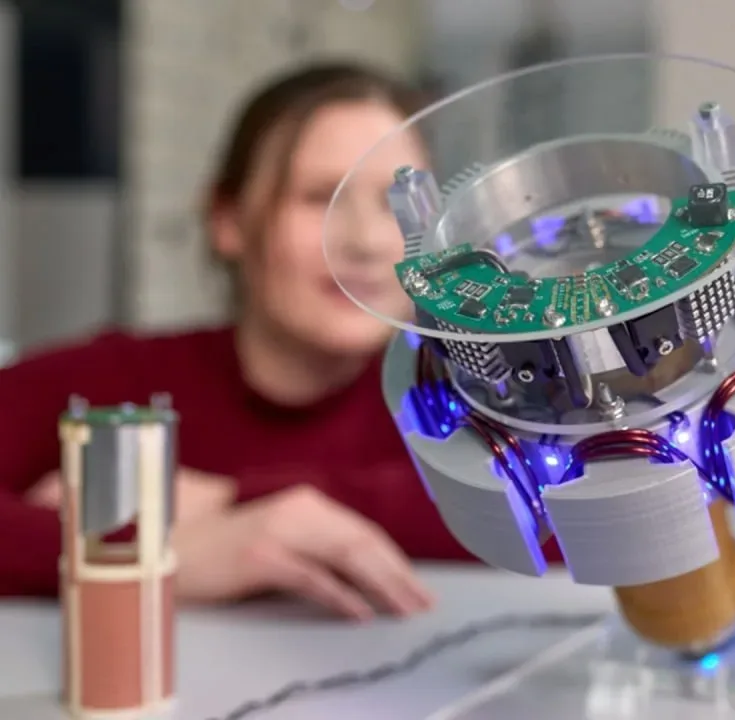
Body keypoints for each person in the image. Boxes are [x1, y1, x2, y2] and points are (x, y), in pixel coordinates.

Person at [0, 61, 469, 620]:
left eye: (399, 206)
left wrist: (236, 500)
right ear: (227, 220)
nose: (366, 241)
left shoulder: (468, 392)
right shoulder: (108, 384)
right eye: (320, 197)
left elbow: (552, 512)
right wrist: (152, 555)